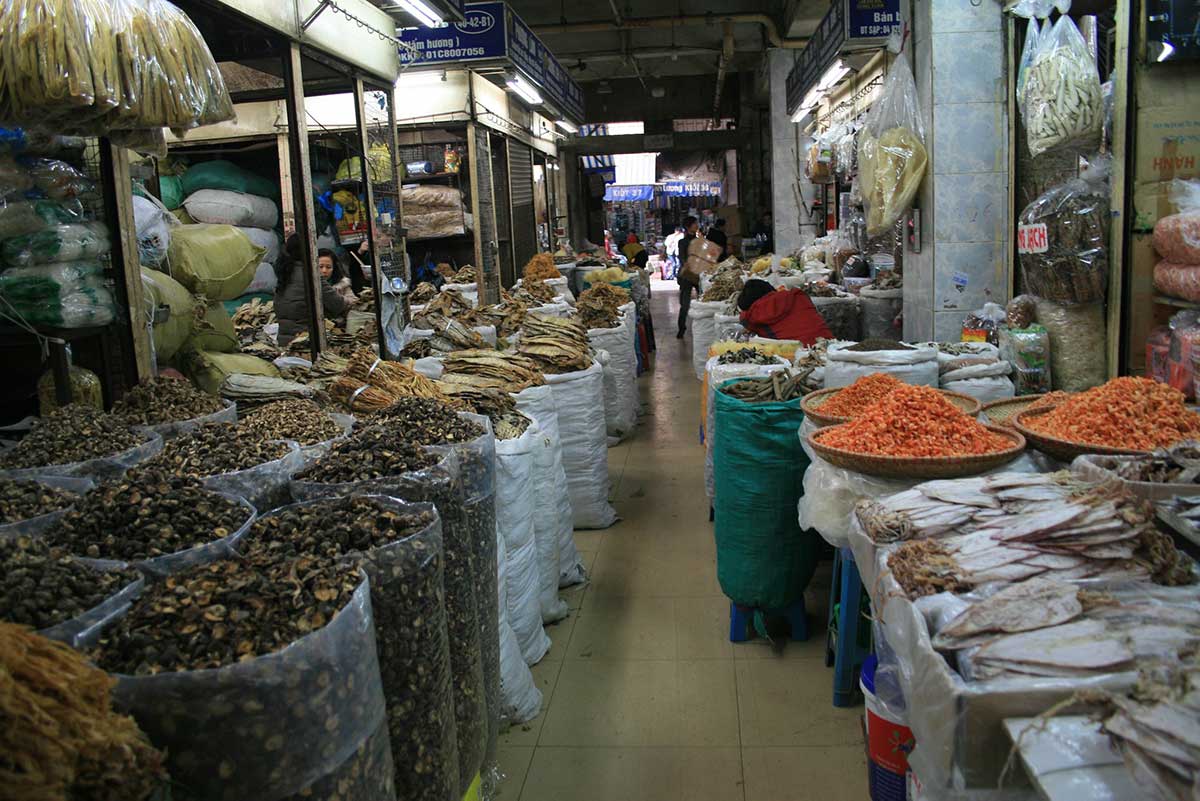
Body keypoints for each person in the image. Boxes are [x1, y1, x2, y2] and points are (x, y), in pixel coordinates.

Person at [275, 234, 349, 346]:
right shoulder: (311, 275)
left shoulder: (285, 274)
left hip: (284, 340)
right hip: (305, 342)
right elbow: (338, 305)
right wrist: (349, 301)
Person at [736, 278, 832, 344]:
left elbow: (744, 319)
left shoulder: (755, 315)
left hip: (798, 355)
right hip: (831, 348)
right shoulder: (798, 297)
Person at [676, 215, 700, 339]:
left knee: (702, 301)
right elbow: (682, 258)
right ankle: (681, 328)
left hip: (698, 274)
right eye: (695, 224)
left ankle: (701, 326)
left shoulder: (700, 241)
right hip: (687, 275)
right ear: (688, 226)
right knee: (685, 304)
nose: (697, 225)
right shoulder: (682, 242)